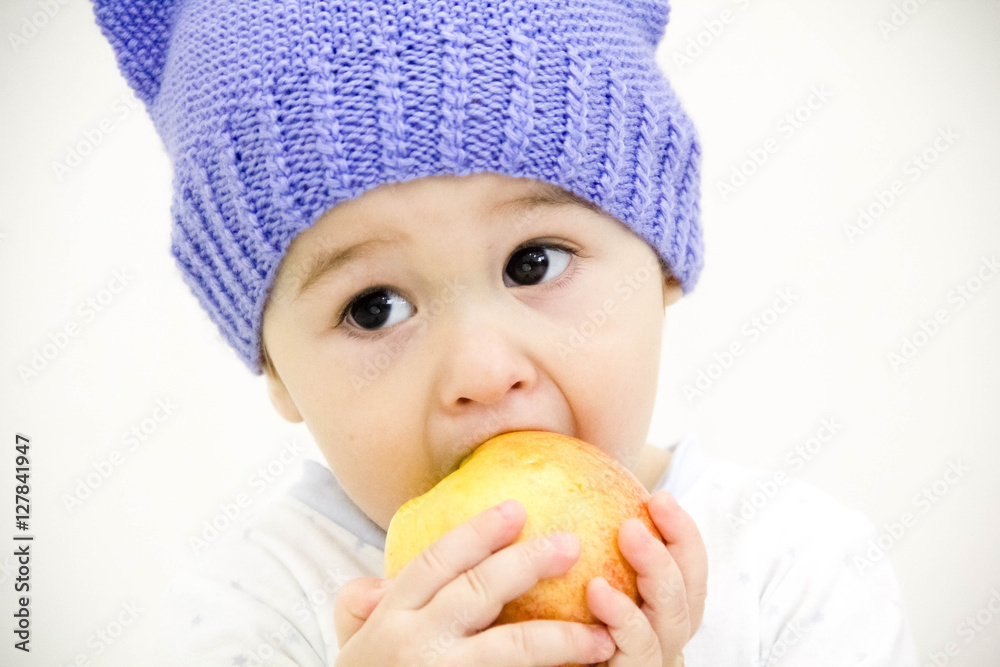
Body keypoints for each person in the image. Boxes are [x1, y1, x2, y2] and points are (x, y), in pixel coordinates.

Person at [90, 0, 919, 664]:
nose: (482, 371)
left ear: (663, 261)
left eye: (534, 263)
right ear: (275, 368)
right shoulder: (257, 605)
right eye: (374, 306)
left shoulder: (796, 570)